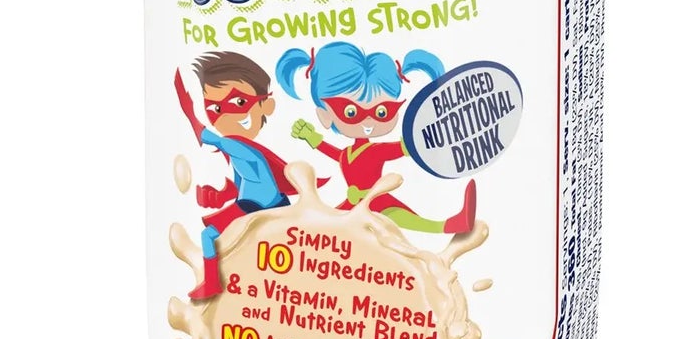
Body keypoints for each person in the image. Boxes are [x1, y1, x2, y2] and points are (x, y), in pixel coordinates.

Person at [276, 40, 476, 235]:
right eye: (351, 112)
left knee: (405, 219)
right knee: (326, 229)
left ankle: (451, 225)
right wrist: (312, 138)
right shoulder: (347, 153)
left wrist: (432, 132)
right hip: (354, 205)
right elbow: (335, 153)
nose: (368, 122)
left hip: (378, 202)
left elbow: (404, 148)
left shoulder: (377, 151)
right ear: (325, 115)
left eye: (382, 112)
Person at [175, 51, 294, 300]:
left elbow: (208, 137)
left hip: (260, 206)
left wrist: (191, 114)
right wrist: (222, 195)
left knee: (209, 236)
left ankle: (212, 283)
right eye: (215, 109)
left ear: (266, 105)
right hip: (265, 203)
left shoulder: (239, 146)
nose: (226, 116)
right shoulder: (242, 149)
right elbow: (246, 181)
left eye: (239, 103)